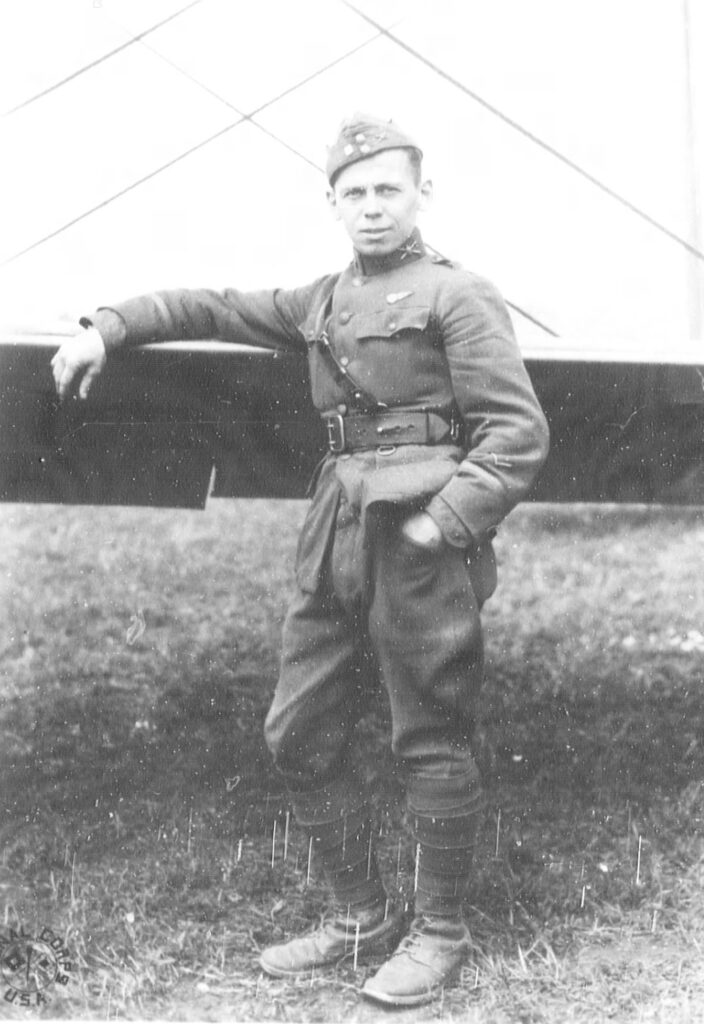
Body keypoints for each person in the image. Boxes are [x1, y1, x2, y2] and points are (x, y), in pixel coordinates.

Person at [51, 114, 550, 1008]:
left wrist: (442, 526)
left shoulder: (458, 295)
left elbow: (515, 436)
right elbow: (209, 305)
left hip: (419, 539)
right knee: (298, 726)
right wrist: (108, 327)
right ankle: (359, 913)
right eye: (353, 193)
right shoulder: (321, 300)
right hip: (336, 533)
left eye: (387, 189)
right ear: (331, 203)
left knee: (430, 732)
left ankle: (440, 931)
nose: (370, 208)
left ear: (421, 194)